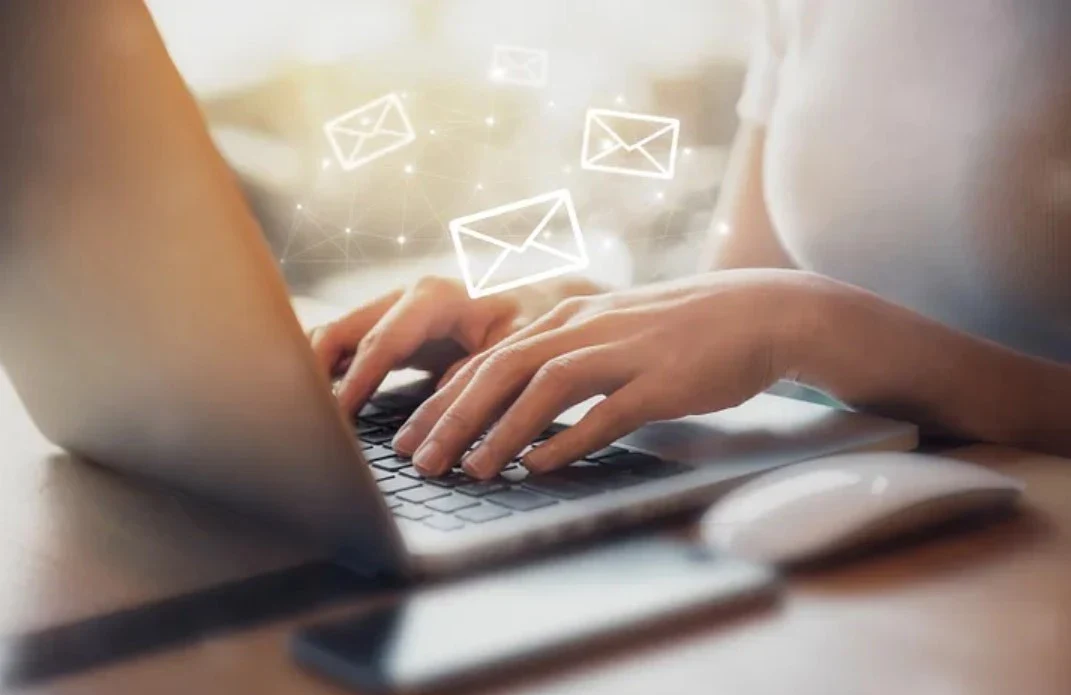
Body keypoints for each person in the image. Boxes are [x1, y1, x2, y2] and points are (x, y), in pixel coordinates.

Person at [311, 0, 1071, 477]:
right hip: (862, 532)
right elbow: (736, 307)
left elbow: (778, 318)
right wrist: (550, 322)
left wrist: (806, 321)